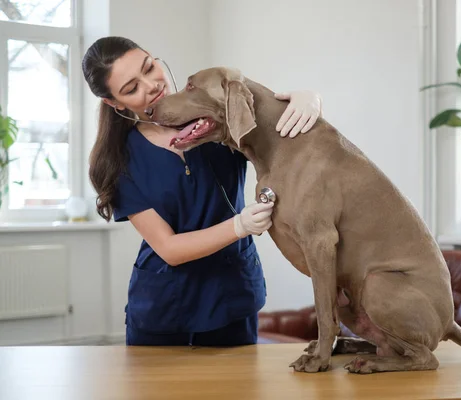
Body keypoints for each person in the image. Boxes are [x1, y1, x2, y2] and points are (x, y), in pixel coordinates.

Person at [81, 36, 323, 346]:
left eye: (149, 67)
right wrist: (240, 226)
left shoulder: (216, 109)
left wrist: (309, 99)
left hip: (233, 298)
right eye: (131, 88)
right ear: (114, 103)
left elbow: (280, 131)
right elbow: (168, 248)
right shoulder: (118, 160)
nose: (152, 84)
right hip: (164, 311)